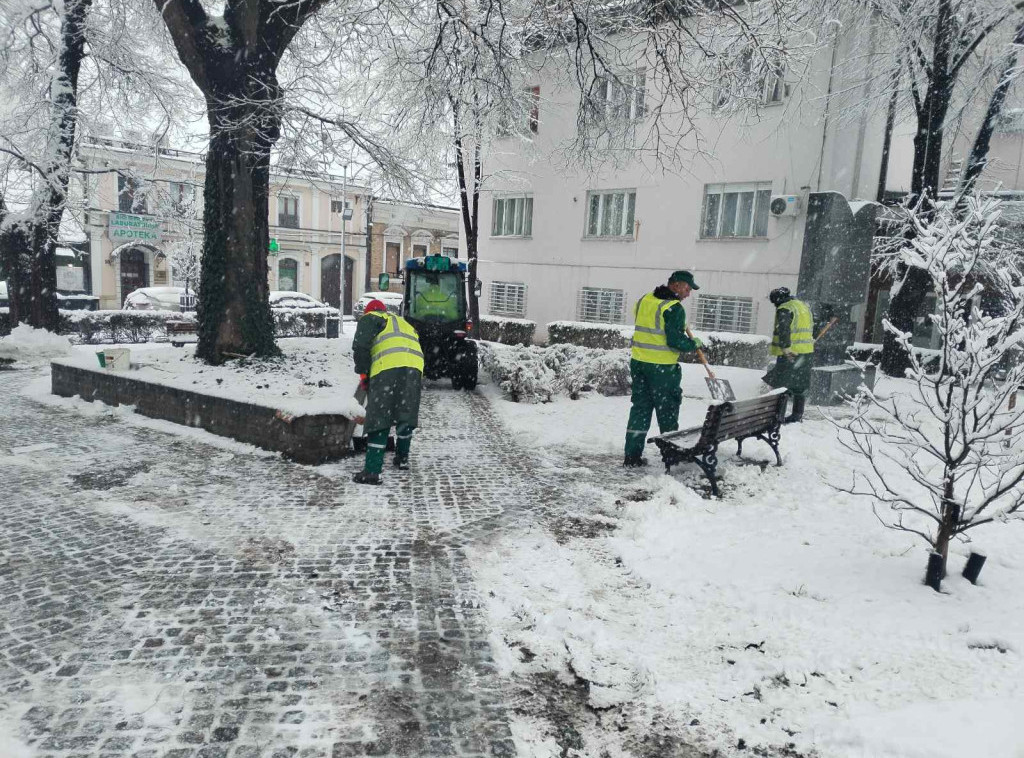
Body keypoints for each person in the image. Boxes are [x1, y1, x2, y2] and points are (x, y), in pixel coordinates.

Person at [624, 270, 703, 467]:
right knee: (667, 410)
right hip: (663, 369)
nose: (688, 294)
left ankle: (632, 456)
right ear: (675, 285)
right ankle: (671, 455)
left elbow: (648, 326)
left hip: (639, 363)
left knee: (640, 409)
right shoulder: (674, 308)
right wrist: (693, 344)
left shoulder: (644, 300)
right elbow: (675, 341)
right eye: (687, 289)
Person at [351, 298, 424, 485]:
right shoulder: (402, 322)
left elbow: (361, 346)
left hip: (388, 368)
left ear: (369, 311)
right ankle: (402, 458)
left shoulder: (370, 318)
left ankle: (372, 471)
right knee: (405, 414)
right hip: (415, 368)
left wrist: (364, 373)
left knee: (379, 416)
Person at [763, 287, 814, 423]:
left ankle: (778, 416)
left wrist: (785, 348)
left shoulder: (785, 308)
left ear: (777, 300)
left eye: (774, 302)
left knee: (782, 385)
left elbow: (784, 329)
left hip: (790, 353)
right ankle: (797, 415)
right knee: (799, 385)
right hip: (806, 352)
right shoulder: (802, 306)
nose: (775, 305)